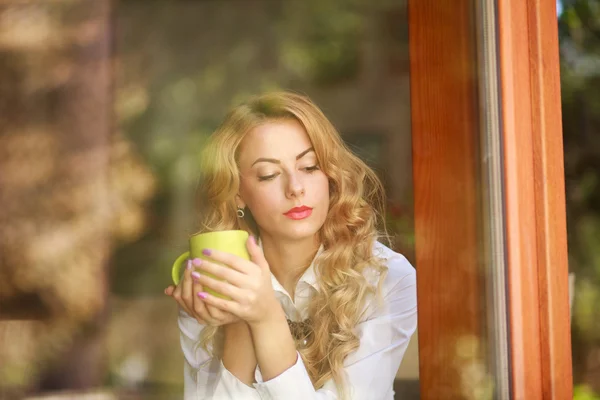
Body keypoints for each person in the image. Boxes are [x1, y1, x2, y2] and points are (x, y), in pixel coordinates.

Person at [164, 91, 417, 399]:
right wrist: (239, 320)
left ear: (330, 176)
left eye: (309, 167)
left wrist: (265, 317)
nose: (296, 188)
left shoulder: (387, 279)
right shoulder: (213, 284)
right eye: (268, 175)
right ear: (238, 194)